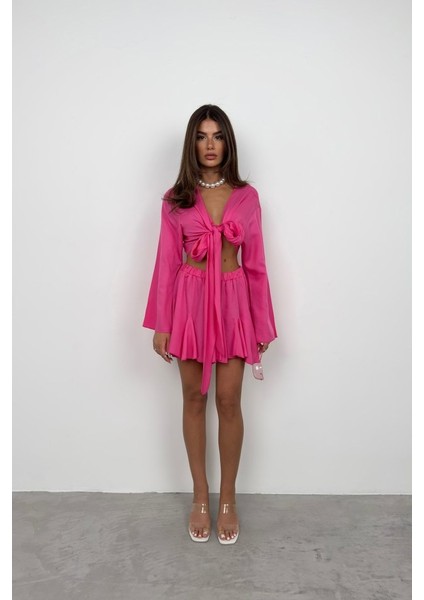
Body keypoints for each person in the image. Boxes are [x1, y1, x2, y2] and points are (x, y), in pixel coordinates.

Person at [142, 104, 277, 544]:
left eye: (217, 136)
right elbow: (166, 263)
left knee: (229, 399)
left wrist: (262, 324)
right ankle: (201, 496)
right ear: (192, 144)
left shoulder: (247, 197)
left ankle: (228, 500)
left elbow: (256, 263)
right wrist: (162, 323)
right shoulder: (175, 198)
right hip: (190, 302)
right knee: (193, 398)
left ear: (228, 142)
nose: (210, 145)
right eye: (201, 137)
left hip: (235, 304)